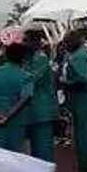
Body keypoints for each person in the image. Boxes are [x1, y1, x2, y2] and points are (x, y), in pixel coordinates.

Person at [61, 31, 87, 172]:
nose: (64, 46)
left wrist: (64, 83)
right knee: (85, 138)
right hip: (84, 102)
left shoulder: (78, 56)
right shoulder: (82, 53)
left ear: (73, 42)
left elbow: (82, 80)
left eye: (66, 42)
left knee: (84, 139)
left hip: (84, 103)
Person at [22, 30, 57, 162]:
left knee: (42, 150)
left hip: (42, 110)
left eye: (26, 40)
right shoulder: (29, 58)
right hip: (33, 110)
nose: (24, 43)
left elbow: (30, 78)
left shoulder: (41, 58)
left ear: (35, 42)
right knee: (34, 150)